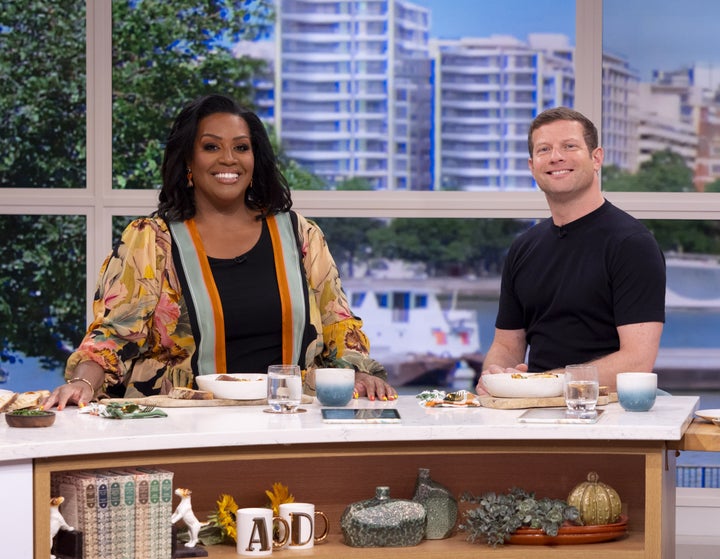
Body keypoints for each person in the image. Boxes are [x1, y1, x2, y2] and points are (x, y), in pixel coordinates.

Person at [43, 94, 397, 410]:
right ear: (187, 161)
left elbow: (338, 324)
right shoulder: (152, 241)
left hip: (290, 418)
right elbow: (113, 335)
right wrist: (83, 382)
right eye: (211, 147)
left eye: (241, 148)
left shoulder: (301, 235)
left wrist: (358, 374)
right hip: (179, 424)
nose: (229, 159)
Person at [477, 107, 665, 393]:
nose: (556, 157)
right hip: (534, 407)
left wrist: (545, 383)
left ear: (596, 158)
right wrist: (495, 375)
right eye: (544, 149)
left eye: (569, 146)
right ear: (532, 166)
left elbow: (637, 362)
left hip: (607, 412)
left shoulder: (632, 244)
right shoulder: (523, 248)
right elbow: (505, 345)